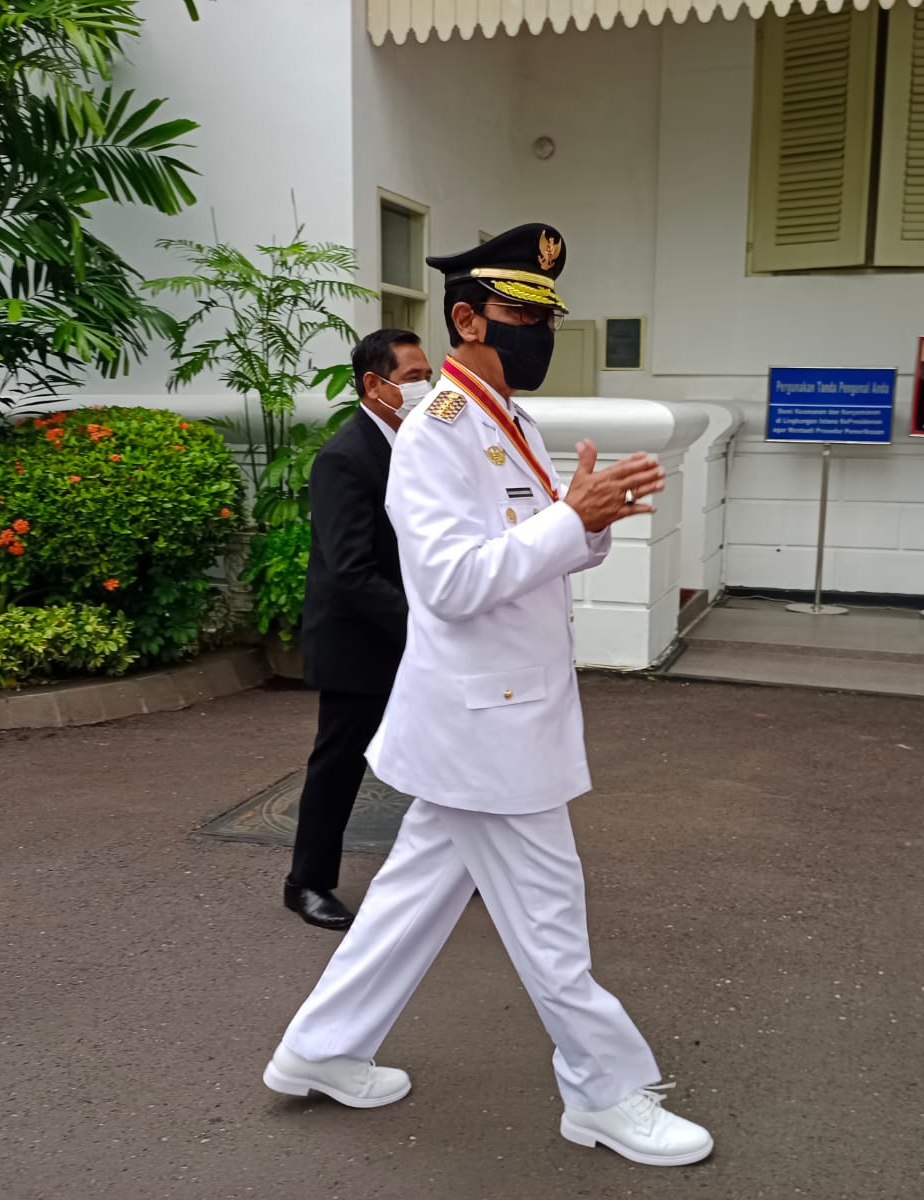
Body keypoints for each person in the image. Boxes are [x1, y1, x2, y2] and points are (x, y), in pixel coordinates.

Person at [262, 223, 713, 1167]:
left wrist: (589, 522)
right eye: (522, 315)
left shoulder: (512, 422)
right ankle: (603, 1091)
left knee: (410, 898)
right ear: (468, 320)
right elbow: (451, 582)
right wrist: (567, 521)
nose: (540, 332)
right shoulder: (435, 431)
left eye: (547, 316)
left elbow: (537, 553)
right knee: (550, 921)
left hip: (499, 709)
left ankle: (319, 1048)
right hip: (484, 723)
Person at [283, 330, 432, 931]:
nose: (427, 387)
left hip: (413, 632)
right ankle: (307, 883)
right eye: (414, 376)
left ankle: (457, 868)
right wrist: (421, 625)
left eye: (428, 374)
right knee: (340, 763)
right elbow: (349, 571)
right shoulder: (344, 457)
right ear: (375, 384)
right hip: (359, 641)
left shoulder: (418, 443)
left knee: (443, 752)